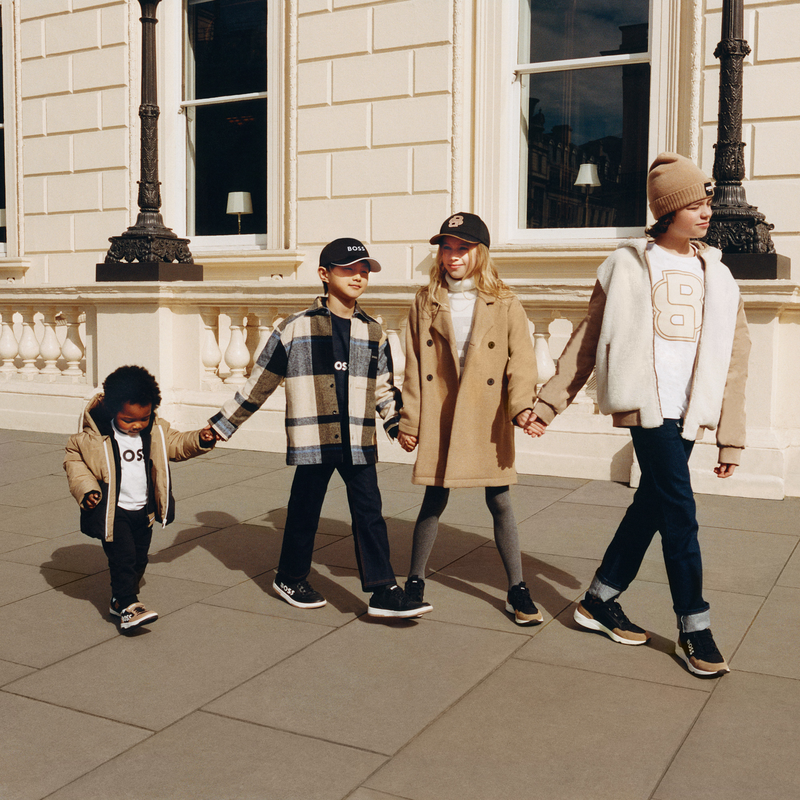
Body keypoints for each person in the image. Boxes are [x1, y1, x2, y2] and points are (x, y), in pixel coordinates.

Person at [525, 153, 750, 677]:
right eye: (693, 205)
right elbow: (586, 341)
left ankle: (599, 599)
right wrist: (549, 403)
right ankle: (694, 626)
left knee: (652, 504)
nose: (705, 212)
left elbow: (736, 358)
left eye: (706, 203)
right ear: (667, 211)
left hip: (690, 410)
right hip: (646, 406)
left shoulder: (718, 274)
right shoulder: (626, 266)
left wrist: (732, 436)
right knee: (680, 514)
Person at [209, 238, 432, 619]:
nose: (358, 277)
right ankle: (290, 577)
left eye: (364, 271)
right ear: (324, 275)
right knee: (305, 510)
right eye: (349, 270)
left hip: (357, 437)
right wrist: (222, 424)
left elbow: (382, 388)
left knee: (369, 511)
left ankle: (383, 590)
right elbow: (259, 383)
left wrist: (398, 426)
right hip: (314, 435)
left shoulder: (373, 331)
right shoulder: (295, 328)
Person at [398, 212, 543, 625]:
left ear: (480, 253)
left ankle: (517, 589)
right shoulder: (425, 300)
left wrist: (521, 407)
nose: (453, 256)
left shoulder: (505, 301)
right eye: (447, 247)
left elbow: (522, 361)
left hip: (486, 412)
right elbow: (413, 366)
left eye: (462, 248)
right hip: (442, 411)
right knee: (434, 497)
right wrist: (410, 421)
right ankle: (414, 581)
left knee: (499, 500)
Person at [64, 365, 216, 631]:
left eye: (144, 418)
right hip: (114, 511)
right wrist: (87, 490)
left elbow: (178, 444)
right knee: (123, 558)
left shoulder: (154, 432)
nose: (137, 425)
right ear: (113, 410)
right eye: (128, 420)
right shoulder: (94, 438)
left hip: (143, 511)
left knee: (138, 559)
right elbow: (75, 462)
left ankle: (119, 600)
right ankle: (129, 605)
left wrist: (200, 439)